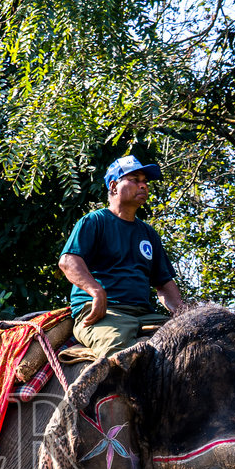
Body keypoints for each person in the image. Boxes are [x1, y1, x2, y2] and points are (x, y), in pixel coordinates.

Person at [58, 153, 187, 358]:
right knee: (120, 356)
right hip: (105, 314)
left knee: (189, 346)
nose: (143, 186)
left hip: (144, 315)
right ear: (113, 186)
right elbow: (68, 261)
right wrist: (97, 292)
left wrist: (184, 314)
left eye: (145, 182)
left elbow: (163, 283)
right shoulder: (94, 221)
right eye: (135, 180)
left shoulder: (148, 233)